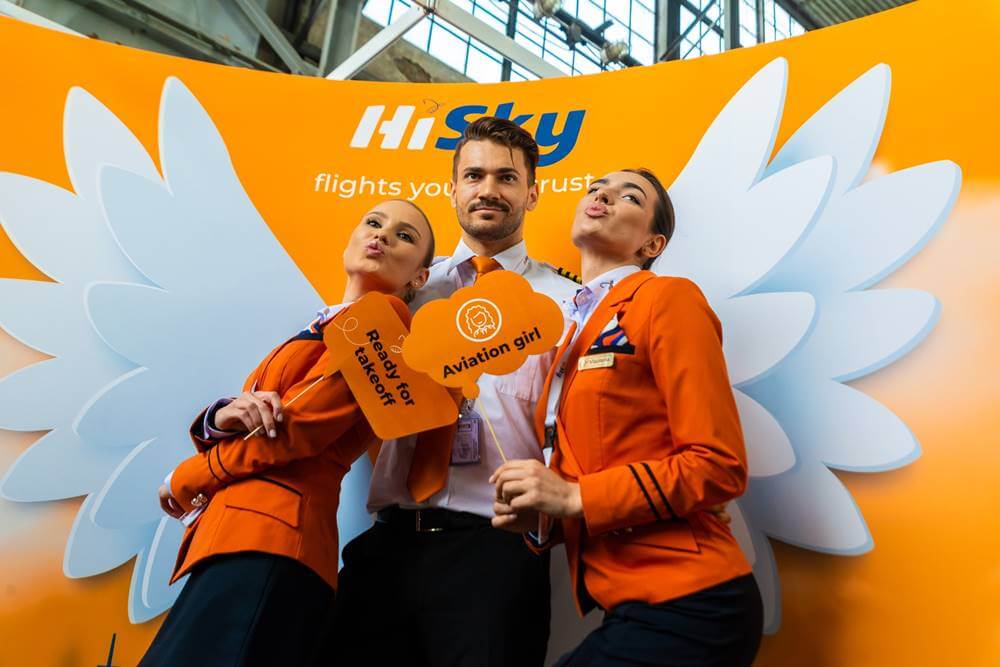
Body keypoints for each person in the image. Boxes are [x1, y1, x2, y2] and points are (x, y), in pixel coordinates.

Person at [140, 199, 436, 666]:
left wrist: (188, 477)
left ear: (419, 277)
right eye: (374, 222)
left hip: (271, 541)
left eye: (404, 236)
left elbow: (298, 428)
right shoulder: (326, 322)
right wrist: (219, 416)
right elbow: (263, 413)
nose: (382, 235)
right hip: (244, 537)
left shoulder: (383, 318)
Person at [330, 117, 580, 667]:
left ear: (532, 193)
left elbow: (579, 429)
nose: (488, 189)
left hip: (495, 555)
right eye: (473, 175)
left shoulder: (568, 305)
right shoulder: (403, 289)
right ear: (452, 189)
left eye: (506, 178)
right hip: (387, 545)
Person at [491, 169, 764, 666]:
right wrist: (544, 519)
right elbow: (602, 464)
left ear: (651, 244)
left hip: (693, 600)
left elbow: (718, 464)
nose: (603, 195)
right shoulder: (571, 331)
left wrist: (574, 497)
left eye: (630, 197)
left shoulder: (667, 298)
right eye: (596, 186)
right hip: (629, 605)